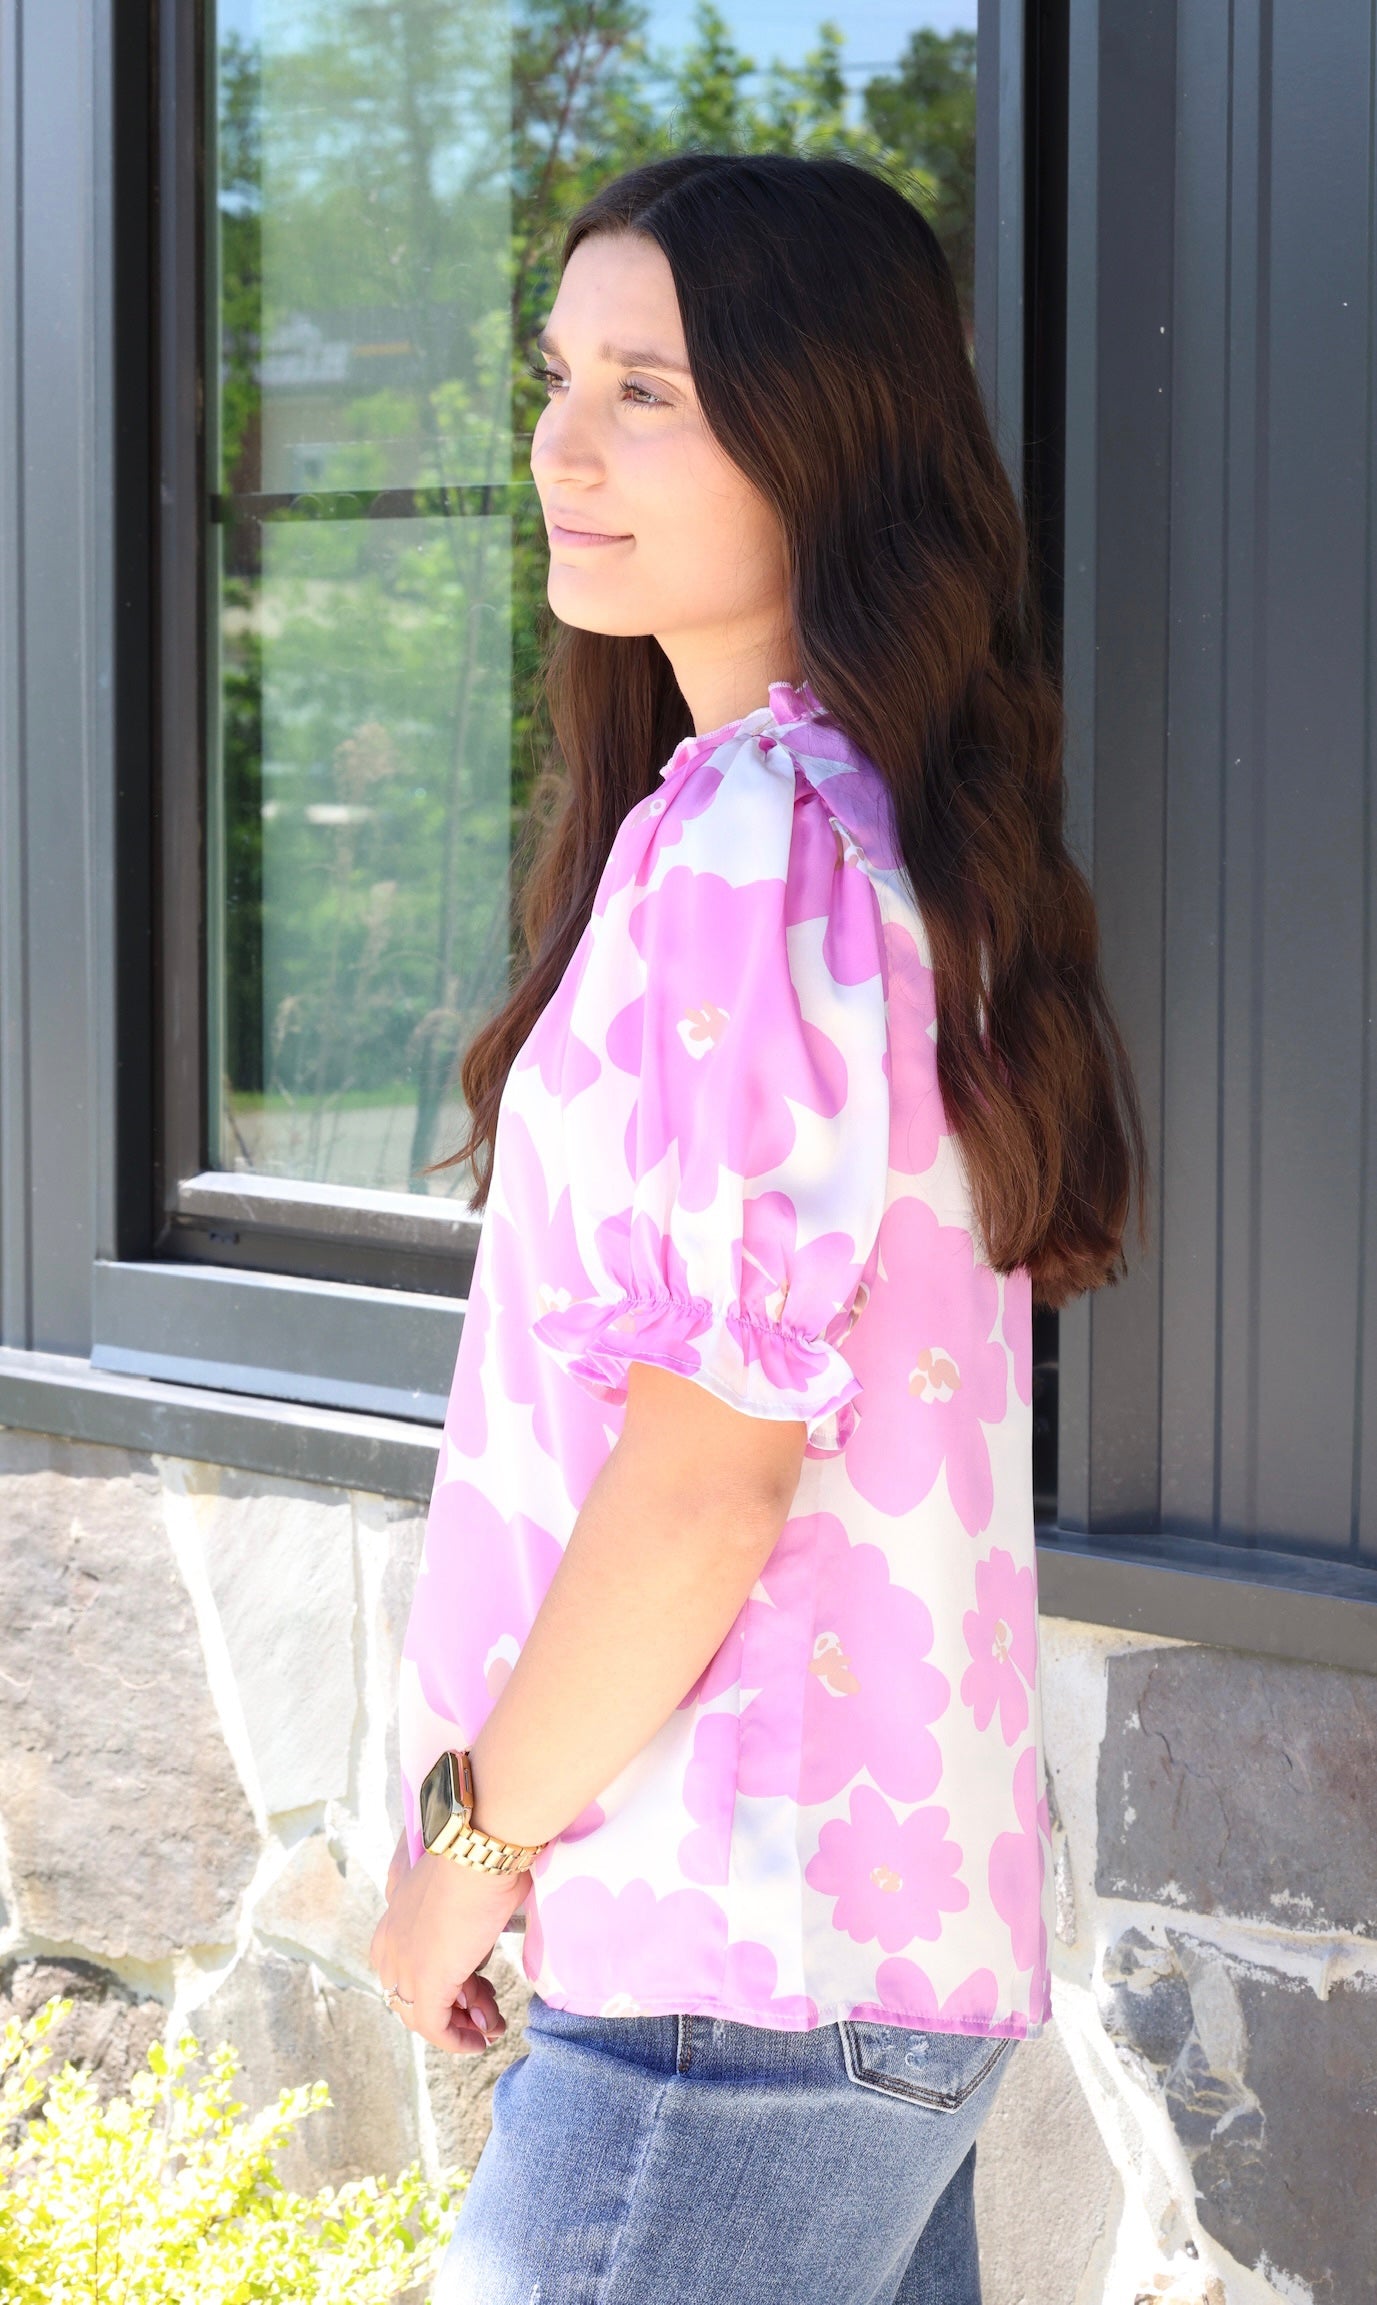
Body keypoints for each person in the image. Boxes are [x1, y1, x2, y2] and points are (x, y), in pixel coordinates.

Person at [369, 150, 1143, 2305]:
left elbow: (705, 1480)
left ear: (824, 439)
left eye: (651, 391)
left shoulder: (751, 847)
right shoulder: (867, 834)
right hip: (861, 1960)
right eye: (557, 378)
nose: (559, 443)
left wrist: (469, 1849)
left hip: (728, 1963)